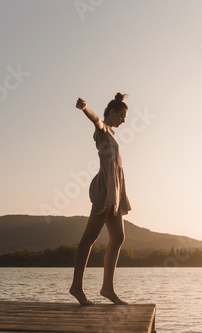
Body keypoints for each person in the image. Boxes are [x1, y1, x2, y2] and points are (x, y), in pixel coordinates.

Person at [69, 93, 132, 306]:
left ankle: (107, 288)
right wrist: (86, 109)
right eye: (121, 115)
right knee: (89, 238)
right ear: (111, 112)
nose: (124, 120)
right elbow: (96, 120)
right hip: (105, 188)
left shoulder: (111, 135)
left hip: (115, 189)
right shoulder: (103, 131)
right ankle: (77, 286)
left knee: (119, 237)